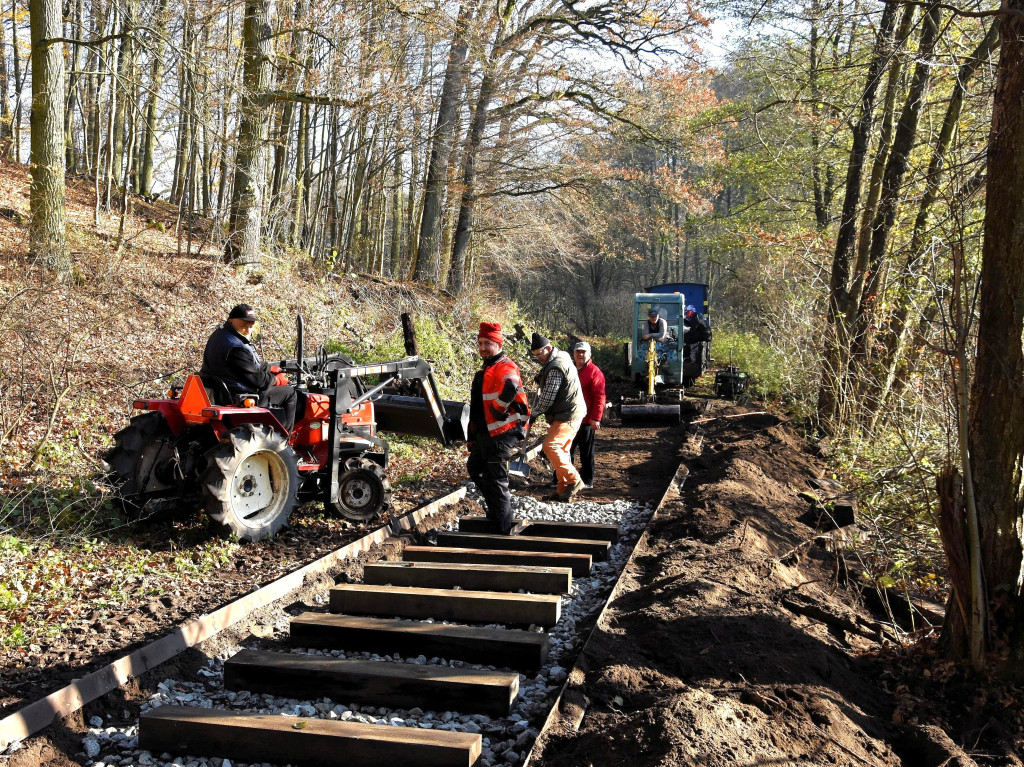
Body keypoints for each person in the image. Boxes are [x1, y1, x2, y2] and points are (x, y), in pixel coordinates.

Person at [466, 322, 531, 535]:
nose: (483, 348)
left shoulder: (504, 365)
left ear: (498, 344)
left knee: (496, 478)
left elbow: (511, 385)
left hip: (503, 432)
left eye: (488, 343)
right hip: (488, 432)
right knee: (475, 467)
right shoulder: (487, 368)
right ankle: (497, 512)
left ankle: (502, 529)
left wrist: (498, 408)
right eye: (480, 343)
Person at [200, 303, 301, 430]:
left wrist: (269, 368)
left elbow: (248, 363)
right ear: (231, 321)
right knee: (290, 393)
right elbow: (258, 381)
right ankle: (285, 441)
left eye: (251, 327)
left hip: (220, 390)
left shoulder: (221, 334)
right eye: (243, 326)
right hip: (237, 395)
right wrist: (277, 379)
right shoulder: (235, 347)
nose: (248, 331)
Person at [530, 333, 587, 502]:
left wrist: (534, 414)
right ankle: (562, 490)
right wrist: (541, 377)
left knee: (551, 446)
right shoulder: (561, 356)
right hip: (573, 410)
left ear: (548, 348)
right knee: (561, 449)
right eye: (535, 355)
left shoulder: (555, 367)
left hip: (567, 413)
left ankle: (573, 479)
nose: (538, 357)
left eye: (540, 353)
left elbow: (547, 398)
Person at [569, 341, 606, 490]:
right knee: (566, 451)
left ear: (589, 354)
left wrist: (596, 418)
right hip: (569, 419)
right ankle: (564, 478)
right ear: (574, 354)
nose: (580, 355)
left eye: (583, 352)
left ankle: (587, 480)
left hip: (586, 420)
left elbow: (600, 397)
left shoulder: (594, 372)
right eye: (578, 352)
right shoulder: (570, 369)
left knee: (586, 453)